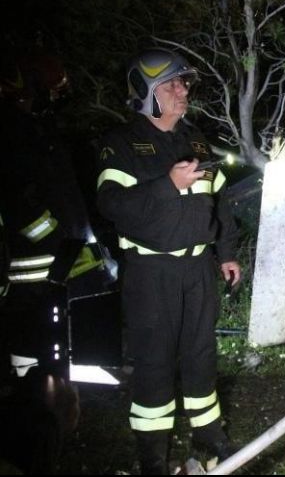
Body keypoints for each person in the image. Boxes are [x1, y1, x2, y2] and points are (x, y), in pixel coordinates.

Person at [96, 47, 241, 474]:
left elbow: (222, 203)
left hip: (197, 270)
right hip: (151, 273)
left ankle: (210, 438)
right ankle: (153, 458)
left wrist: (226, 253)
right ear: (146, 92)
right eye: (172, 84)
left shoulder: (196, 140)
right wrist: (167, 185)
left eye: (184, 83)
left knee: (201, 354)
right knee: (155, 360)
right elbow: (112, 205)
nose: (183, 91)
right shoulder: (120, 144)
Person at [0, 48, 100, 474]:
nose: (51, 100)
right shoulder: (9, 131)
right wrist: (58, 237)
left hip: (59, 272)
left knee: (62, 361)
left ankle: (57, 429)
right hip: (32, 279)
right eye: (48, 91)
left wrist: (83, 247)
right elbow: (17, 200)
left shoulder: (36, 129)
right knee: (33, 369)